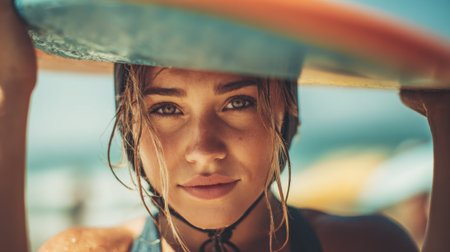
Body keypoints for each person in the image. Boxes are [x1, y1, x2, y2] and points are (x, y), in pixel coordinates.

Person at [1, 0, 449, 251]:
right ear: (129, 124)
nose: (204, 149)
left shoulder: (365, 247)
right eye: (167, 109)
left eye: (238, 102)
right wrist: (13, 90)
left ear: (284, 108)